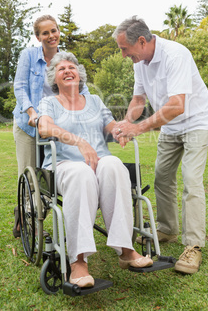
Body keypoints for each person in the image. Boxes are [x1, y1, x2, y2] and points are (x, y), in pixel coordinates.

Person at [37, 51, 153, 288]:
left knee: (114, 165)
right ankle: (78, 260)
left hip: (98, 162)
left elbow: (111, 126)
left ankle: (126, 249)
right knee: (81, 174)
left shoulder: (95, 102)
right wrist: (77, 141)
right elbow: (44, 127)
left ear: (79, 74)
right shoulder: (49, 102)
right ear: (54, 79)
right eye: (61, 69)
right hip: (64, 165)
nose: (68, 70)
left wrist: (120, 131)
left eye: (72, 67)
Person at [112, 16, 208, 275]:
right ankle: (168, 228)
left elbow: (177, 105)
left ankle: (193, 246)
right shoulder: (141, 62)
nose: (124, 55)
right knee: (162, 176)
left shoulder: (175, 55)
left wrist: (140, 127)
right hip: (171, 126)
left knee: (191, 180)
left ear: (142, 41)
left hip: (196, 121)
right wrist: (126, 123)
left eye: (125, 49)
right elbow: (138, 99)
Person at [12, 15, 89, 237]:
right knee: (29, 174)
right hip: (29, 123)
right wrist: (31, 111)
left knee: (48, 174)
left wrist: (91, 107)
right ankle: (28, 221)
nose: (51, 36)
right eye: (45, 33)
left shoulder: (66, 58)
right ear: (38, 37)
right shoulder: (28, 55)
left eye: (53, 31)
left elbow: (80, 86)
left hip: (54, 124)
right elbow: (20, 86)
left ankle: (33, 214)